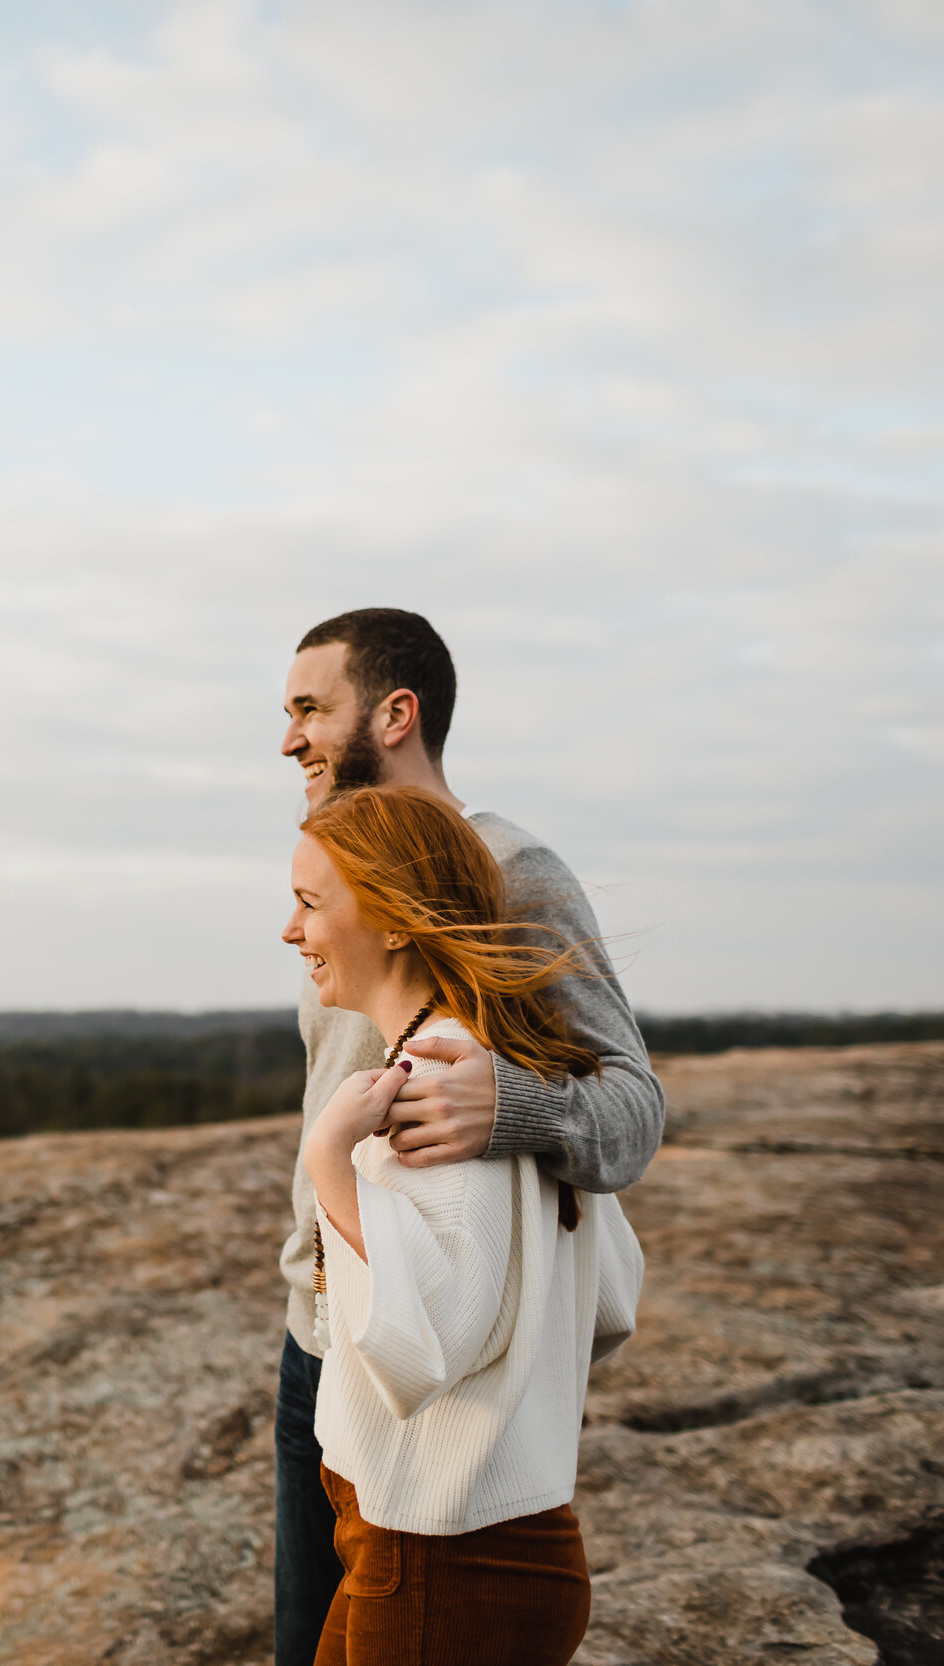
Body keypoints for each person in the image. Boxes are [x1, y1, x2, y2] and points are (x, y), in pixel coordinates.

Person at [272, 608, 663, 1666]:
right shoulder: (342, 869)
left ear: (395, 713)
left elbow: (633, 1106)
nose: (288, 739)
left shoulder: (508, 870)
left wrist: (514, 1107)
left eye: (311, 708)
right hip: (323, 1333)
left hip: (428, 1356)